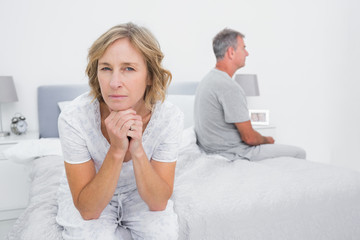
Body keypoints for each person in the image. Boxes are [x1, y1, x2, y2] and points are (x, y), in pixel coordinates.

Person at [56, 23, 182, 240]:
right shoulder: (74, 118)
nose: (114, 83)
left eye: (129, 68)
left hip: (139, 193)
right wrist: (116, 151)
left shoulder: (169, 118)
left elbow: (158, 202)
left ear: (150, 76)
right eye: (105, 68)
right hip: (93, 190)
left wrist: (138, 150)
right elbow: (88, 210)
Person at [194, 28, 305, 161]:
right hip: (234, 152)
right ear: (231, 52)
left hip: (214, 150)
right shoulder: (229, 87)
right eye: (243, 48)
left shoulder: (207, 80)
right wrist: (267, 140)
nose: (247, 53)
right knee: (299, 153)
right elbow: (250, 138)